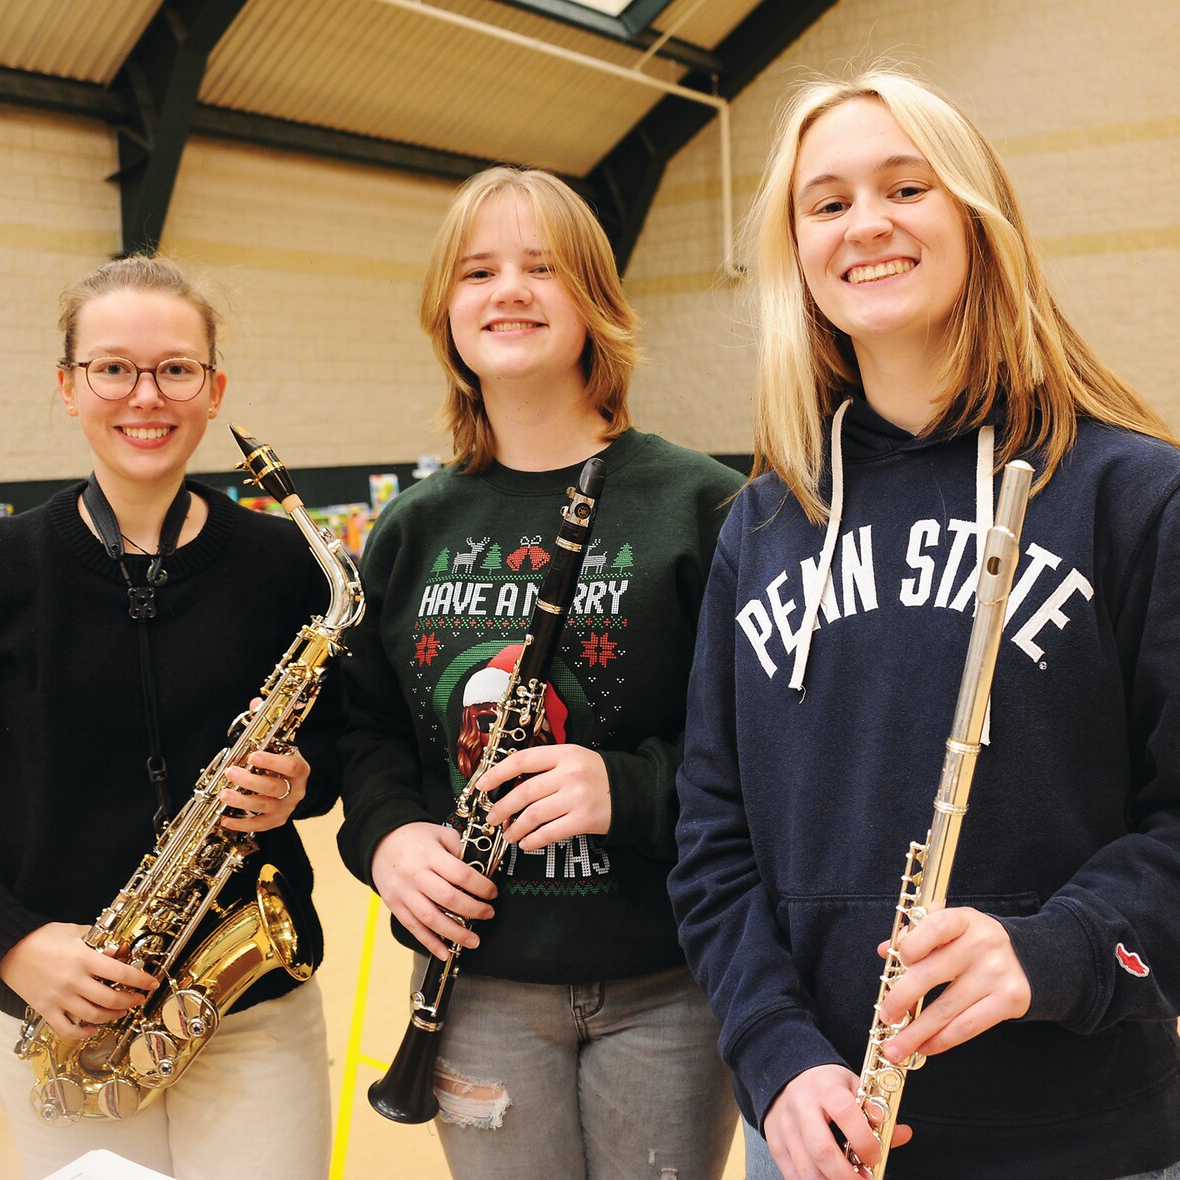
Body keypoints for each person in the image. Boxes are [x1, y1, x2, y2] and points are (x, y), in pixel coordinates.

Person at [667, 70, 1180, 1180]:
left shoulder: (1134, 495)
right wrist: (774, 1051)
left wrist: (1046, 950)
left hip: (1090, 1142)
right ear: (797, 252)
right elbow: (713, 843)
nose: (867, 222)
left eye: (906, 187)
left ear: (976, 216)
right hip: (815, 1136)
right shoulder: (763, 522)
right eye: (827, 202)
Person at [0, 256, 344, 1180]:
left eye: (176, 368)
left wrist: (304, 782)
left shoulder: (284, 563)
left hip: (252, 1012)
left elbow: (338, 744)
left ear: (214, 390)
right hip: (63, 1012)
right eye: (112, 368)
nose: (146, 395)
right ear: (67, 386)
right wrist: (11, 942)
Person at [337, 165, 742, 1180]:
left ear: (597, 304)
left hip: (673, 979)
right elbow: (366, 730)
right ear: (446, 312)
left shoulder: (706, 506)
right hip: (476, 988)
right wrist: (386, 841)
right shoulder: (412, 527)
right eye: (478, 270)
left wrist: (631, 785)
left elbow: (774, 744)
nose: (507, 290)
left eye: (541, 267)